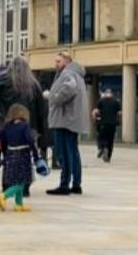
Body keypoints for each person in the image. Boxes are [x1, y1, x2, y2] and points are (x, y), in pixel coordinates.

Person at [0, 56, 45, 178]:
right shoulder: (33, 83)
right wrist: (41, 131)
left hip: (6, 124)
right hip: (29, 126)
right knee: (26, 154)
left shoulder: (2, 79)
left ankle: (8, 180)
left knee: (7, 154)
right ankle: (24, 182)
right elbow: (41, 109)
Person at [46, 52, 87, 196]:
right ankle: (76, 184)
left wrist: (54, 98)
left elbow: (69, 88)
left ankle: (64, 184)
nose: (55, 64)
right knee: (73, 151)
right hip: (72, 119)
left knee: (63, 152)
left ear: (67, 62)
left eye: (58, 61)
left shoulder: (68, 73)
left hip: (64, 119)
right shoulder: (78, 75)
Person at [0, 104, 46, 212]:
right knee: (22, 182)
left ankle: (19, 204)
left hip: (10, 155)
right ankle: (4, 195)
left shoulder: (8, 126)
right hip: (23, 156)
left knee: (17, 180)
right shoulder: (24, 126)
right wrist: (36, 156)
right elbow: (30, 141)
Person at [92, 88, 121, 163]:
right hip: (112, 124)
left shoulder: (101, 101)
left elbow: (96, 112)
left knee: (101, 137)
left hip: (103, 123)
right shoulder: (116, 102)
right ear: (111, 94)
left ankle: (103, 147)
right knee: (110, 140)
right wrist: (118, 121)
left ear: (105, 93)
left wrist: (95, 119)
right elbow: (119, 113)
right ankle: (108, 157)